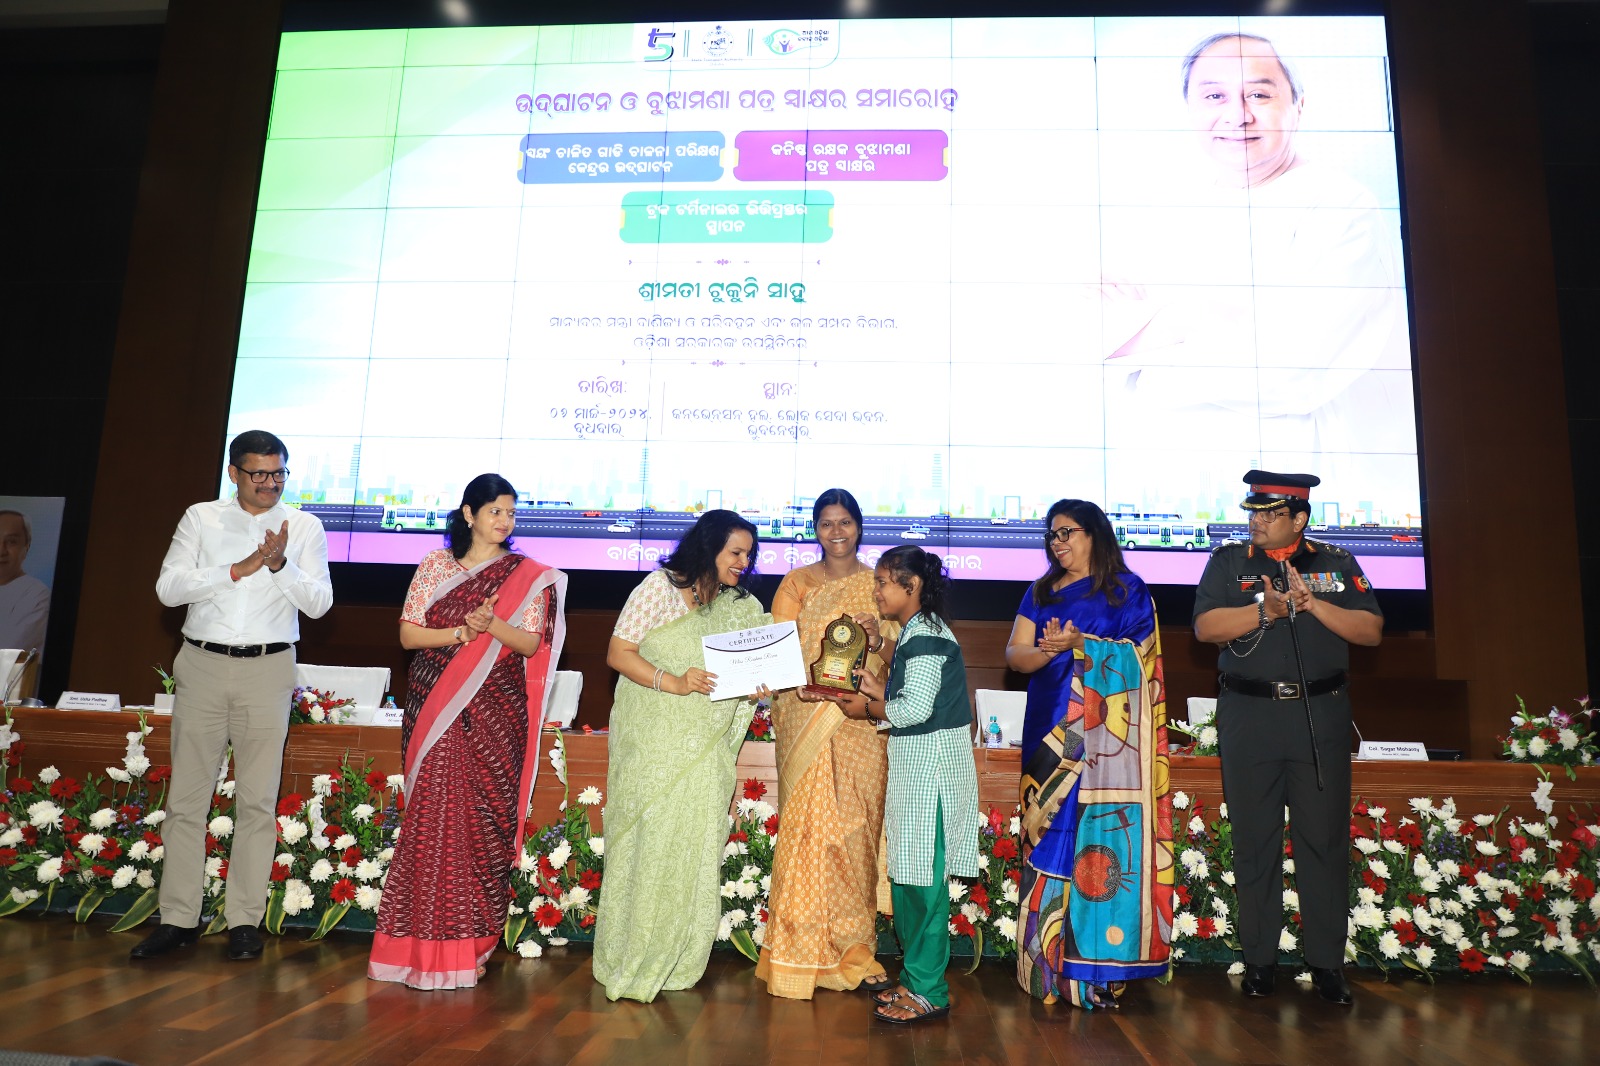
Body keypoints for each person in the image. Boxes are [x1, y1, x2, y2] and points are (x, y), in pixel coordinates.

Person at [1101, 31, 1414, 461]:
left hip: (1295, 468)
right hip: (1166, 463)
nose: (1237, 115)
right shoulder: (1165, 207)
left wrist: (1151, 364)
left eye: (1258, 95)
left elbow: (1294, 372)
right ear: (1189, 108)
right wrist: (1199, 321)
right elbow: (1090, 332)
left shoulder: (1342, 208)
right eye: (1214, 96)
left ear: (1298, 106)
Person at [135, 430, 333, 962]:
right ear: (233, 473)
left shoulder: (305, 527)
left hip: (268, 668)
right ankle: (178, 918)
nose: (270, 483)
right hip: (202, 662)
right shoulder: (201, 518)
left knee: (257, 801)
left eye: (278, 473)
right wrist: (236, 570)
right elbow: (168, 589)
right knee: (186, 800)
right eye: (258, 473)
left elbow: (319, 604)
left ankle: (244, 920)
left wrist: (280, 565)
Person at [368, 474, 567, 990]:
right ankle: (412, 948)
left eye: (511, 513)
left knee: (479, 825)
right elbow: (409, 634)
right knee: (432, 822)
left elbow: (530, 644)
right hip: (435, 706)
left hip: (494, 715)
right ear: (468, 513)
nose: (505, 521)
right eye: (495, 511)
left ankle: (469, 945)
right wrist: (461, 632)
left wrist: (491, 624)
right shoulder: (435, 565)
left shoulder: (527, 575)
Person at [1193, 470, 1383, 1006]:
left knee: (1323, 840)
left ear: (1298, 519)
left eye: (1269, 513)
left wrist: (1313, 604)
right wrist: (1264, 610)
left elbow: (1371, 631)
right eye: (1253, 511)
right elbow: (1205, 628)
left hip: (1319, 714)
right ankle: (1260, 960)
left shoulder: (1336, 564)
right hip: (1249, 715)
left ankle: (1326, 964)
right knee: (1255, 840)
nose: (1256, 520)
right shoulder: (1229, 562)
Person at [593, 509, 771, 1002]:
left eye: (748, 554)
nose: (743, 562)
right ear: (708, 548)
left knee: (695, 843)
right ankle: (633, 951)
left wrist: (755, 686)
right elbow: (618, 653)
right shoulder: (659, 588)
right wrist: (672, 681)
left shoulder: (739, 606)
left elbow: (745, 673)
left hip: (705, 751)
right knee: (650, 841)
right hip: (653, 745)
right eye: (735, 552)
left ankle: (679, 956)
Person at [1005, 500, 1173, 1008]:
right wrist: (1052, 649)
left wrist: (1086, 644)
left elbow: (1143, 663)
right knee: (1048, 836)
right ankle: (1043, 969)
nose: (1057, 543)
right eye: (1051, 535)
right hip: (1051, 734)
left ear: (1094, 533)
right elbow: (1015, 656)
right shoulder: (1040, 592)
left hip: (1105, 741)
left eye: (1067, 532)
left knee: (1098, 841)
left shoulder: (1126, 590)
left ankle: (1095, 972)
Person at [755, 488, 897, 999]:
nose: (837, 532)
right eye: (826, 523)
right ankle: (797, 951)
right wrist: (798, 685)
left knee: (856, 832)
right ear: (815, 529)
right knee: (809, 833)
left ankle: (855, 949)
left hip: (860, 723)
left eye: (845, 522)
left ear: (859, 526)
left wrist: (877, 638)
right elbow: (776, 648)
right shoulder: (797, 582)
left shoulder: (879, 585)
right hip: (805, 715)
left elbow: (900, 652)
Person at [839, 546, 979, 1025]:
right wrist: (876, 688)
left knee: (923, 888)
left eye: (883, 582)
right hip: (917, 773)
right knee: (910, 881)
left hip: (932, 777)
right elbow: (913, 698)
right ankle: (917, 979)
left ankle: (930, 991)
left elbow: (913, 710)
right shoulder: (919, 631)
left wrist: (868, 708)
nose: (877, 591)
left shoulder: (927, 635)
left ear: (911, 585)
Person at [0, 510, 51, 675]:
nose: (1, 550)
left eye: (11, 542)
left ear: (26, 547)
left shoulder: (36, 595)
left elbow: (6, 652)